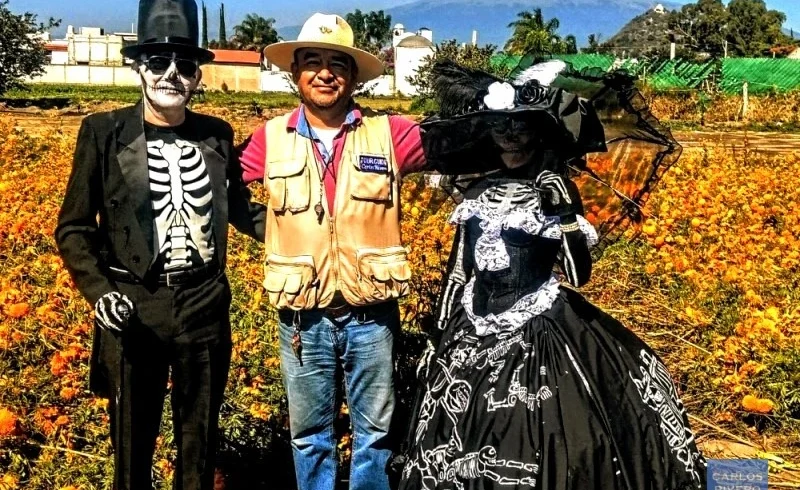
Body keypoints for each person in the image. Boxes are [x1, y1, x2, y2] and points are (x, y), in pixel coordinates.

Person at [397, 61, 707, 490]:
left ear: (538, 132)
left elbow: (579, 275)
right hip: (470, 330)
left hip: (540, 328)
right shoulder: (475, 192)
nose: (510, 137)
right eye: (500, 128)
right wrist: (438, 336)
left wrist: (563, 213)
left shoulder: (556, 192)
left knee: (550, 434)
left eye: (521, 127)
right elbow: (457, 273)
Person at [54, 1, 266, 488]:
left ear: (197, 76)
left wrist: (304, 232)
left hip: (204, 302)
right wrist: (99, 290)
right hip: (133, 305)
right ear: (138, 66)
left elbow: (239, 208)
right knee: (131, 440)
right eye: (158, 62)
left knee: (199, 440)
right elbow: (74, 226)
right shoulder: (103, 132)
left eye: (185, 65)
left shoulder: (217, 134)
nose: (172, 73)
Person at [238, 12, 426, 490]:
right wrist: (271, 230)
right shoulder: (268, 138)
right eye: (313, 62)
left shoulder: (392, 134)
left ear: (353, 75)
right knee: (309, 436)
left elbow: (463, 146)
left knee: (376, 435)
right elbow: (220, 190)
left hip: (373, 316)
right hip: (303, 319)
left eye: (338, 63)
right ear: (295, 73)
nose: (326, 73)